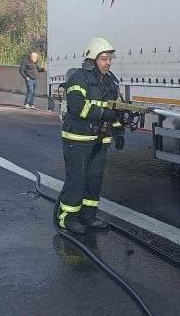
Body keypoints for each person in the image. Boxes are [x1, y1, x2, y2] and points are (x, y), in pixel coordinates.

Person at [56, 37, 124, 234]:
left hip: (101, 139)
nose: (108, 62)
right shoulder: (79, 78)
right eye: (104, 58)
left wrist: (118, 129)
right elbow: (78, 107)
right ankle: (67, 218)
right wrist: (104, 114)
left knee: (94, 179)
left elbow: (115, 108)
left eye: (109, 59)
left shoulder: (111, 80)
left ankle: (88, 216)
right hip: (78, 138)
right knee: (77, 179)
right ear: (93, 59)